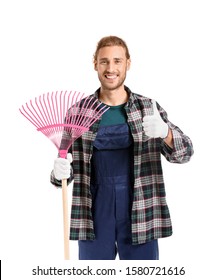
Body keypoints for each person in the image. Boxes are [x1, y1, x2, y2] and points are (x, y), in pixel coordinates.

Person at [51, 35, 194, 260]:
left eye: (117, 61)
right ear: (95, 64)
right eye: (104, 61)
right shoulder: (77, 113)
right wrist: (58, 172)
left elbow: (185, 153)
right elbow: (63, 170)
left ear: (128, 63)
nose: (111, 68)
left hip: (141, 209)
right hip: (93, 212)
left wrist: (166, 132)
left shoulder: (148, 108)